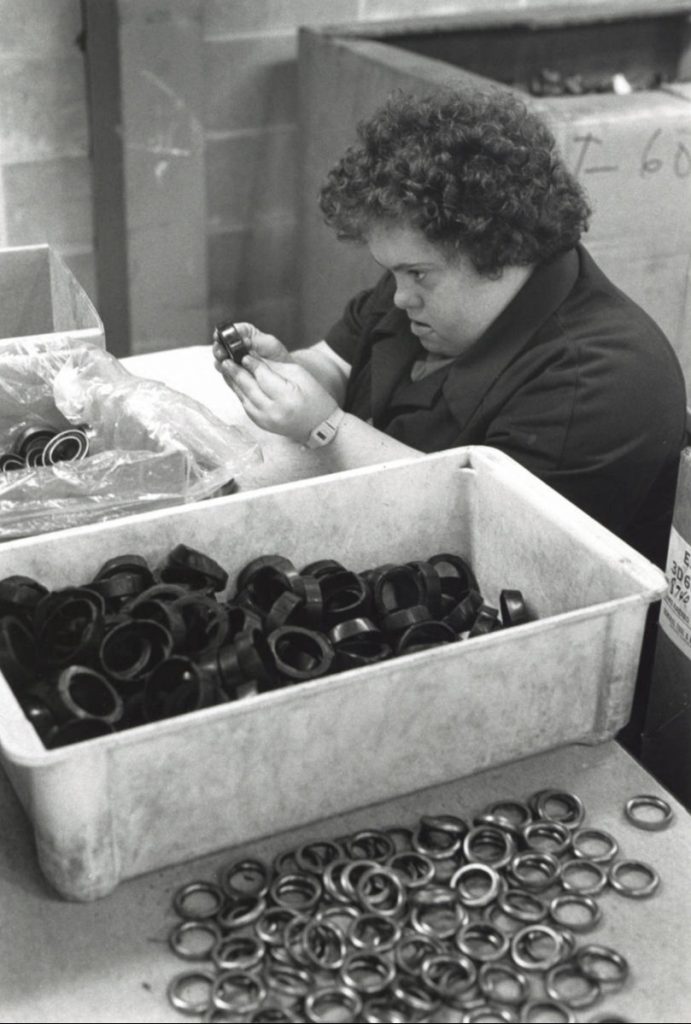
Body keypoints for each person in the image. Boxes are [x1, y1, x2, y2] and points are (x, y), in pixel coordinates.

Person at [213, 86, 687, 569]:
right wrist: (284, 374)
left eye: (416, 274)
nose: (399, 296)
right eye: (392, 271)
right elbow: (338, 358)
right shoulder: (423, 283)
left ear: (500, 251)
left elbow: (483, 537)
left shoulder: (602, 380)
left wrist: (327, 431)